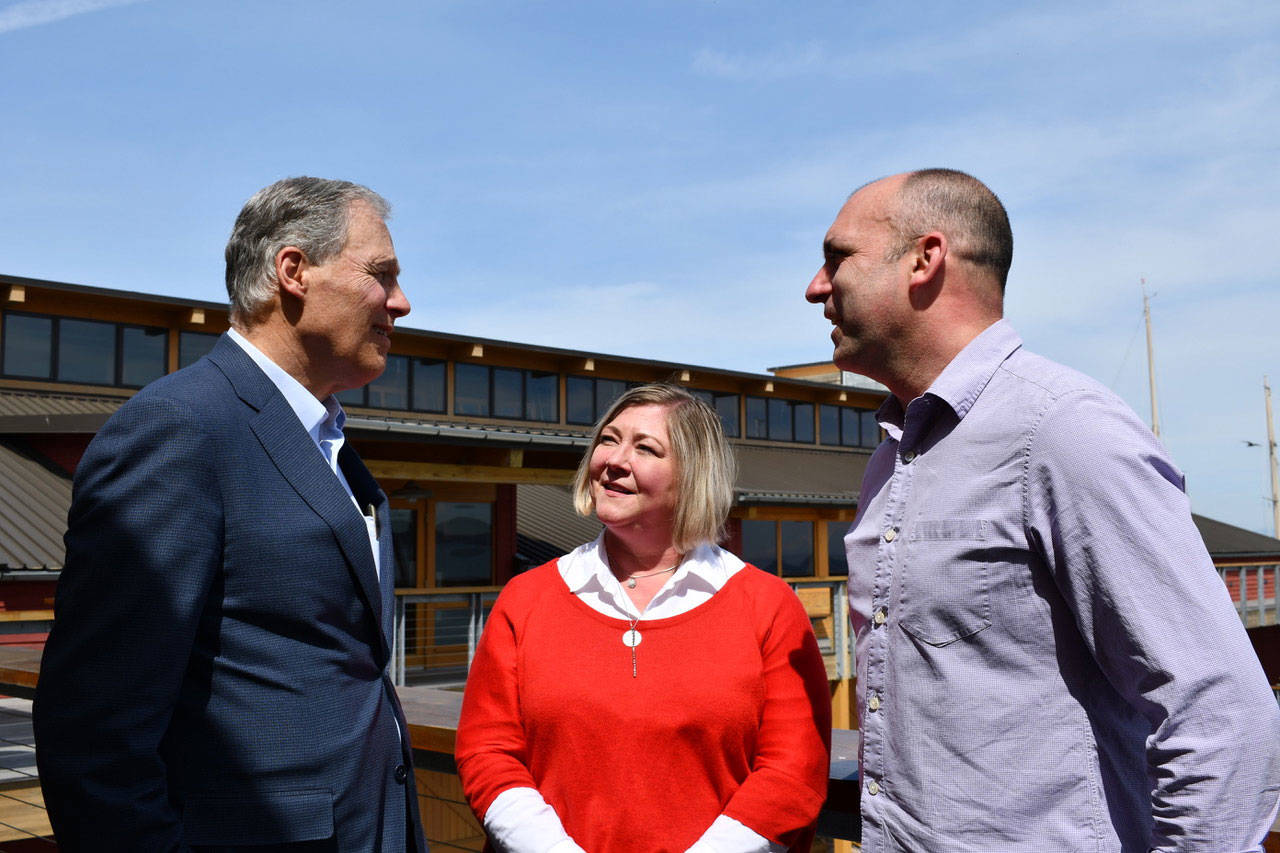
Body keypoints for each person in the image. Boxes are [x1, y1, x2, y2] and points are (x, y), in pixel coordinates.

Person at [805, 168, 1280, 851]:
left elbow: (1224, 715)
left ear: (924, 259)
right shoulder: (889, 459)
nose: (816, 286)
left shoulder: (1062, 430)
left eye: (837, 257)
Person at [34, 177, 427, 851]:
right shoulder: (181, 429)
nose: (402, 301)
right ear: (294, 271)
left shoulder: (328, 445)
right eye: (381, 274)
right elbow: (95, 734)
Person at [455, 384, 831, 853]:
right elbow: (488, 752)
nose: (614, 459)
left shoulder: (767, 605)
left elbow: (794, 770)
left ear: (693, 474)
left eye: (645, 448)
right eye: (608, 440)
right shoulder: (527, 597)